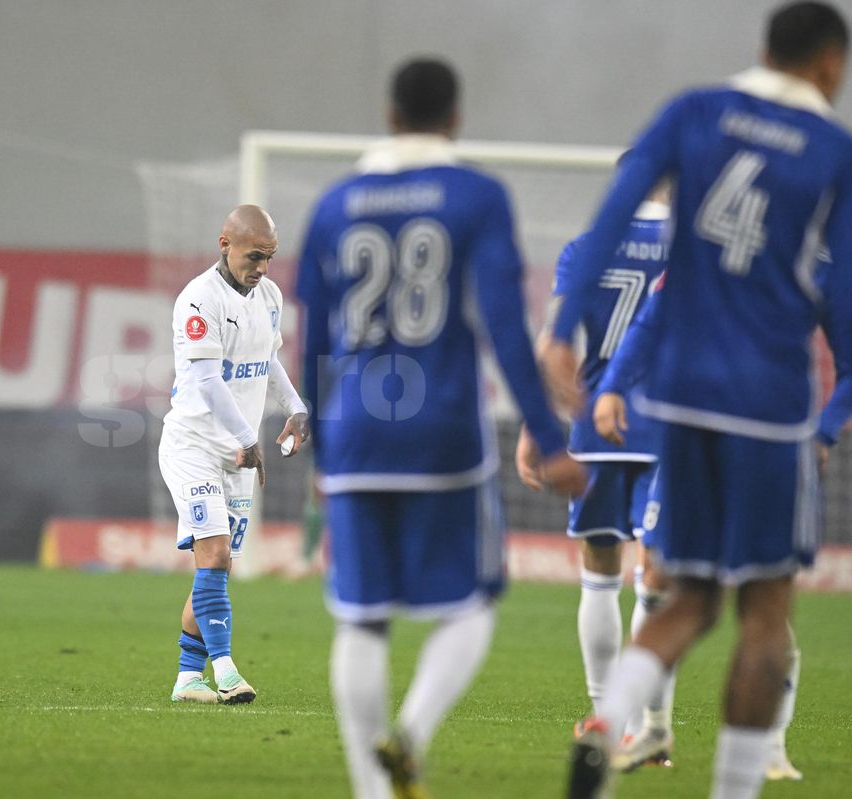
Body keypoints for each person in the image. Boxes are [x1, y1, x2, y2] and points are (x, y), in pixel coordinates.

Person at [541, 3, 852, 797]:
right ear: (830, 67)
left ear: (762, 50)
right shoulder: (832, 152)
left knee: (686, 596)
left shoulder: (693, 110)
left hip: (677, 399)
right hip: (767, 404)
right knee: (764, 613)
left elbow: (614, 215)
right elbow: (840, 306)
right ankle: (738, 786)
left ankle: (610, 726)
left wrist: (563, 337)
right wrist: (825, 420)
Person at [296, 57, 587, 799]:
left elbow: (315, 338)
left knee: (361, 620)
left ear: (389, 116)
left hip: (355, 429)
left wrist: (324, 451)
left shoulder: (333, 205)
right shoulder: (477, 195)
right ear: (455, 119)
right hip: (442, 433)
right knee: (473, 601)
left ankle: (370, 789)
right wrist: (550, 439)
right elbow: (504, 324)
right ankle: (412, 734)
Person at [516, 179, 670, 761]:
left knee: (598, 573)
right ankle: (652, 725)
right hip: (666, 427)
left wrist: (538, 425)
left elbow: (554, 342)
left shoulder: (587, 247)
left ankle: (607, 714)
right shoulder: (693, 248)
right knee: (656, 578)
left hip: (593, 426)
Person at [159, 204, 310, 705]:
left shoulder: (269, 296)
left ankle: (186, 678)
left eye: (269, 257)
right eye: (253, 255)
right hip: (195, 448)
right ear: (225, 244)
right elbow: (204, 380)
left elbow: (267, 360)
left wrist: (295, 406)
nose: (262, 267)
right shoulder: (199, 301)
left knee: (214, 567)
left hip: (238, 456)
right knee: (217, 553)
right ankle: (225, 671)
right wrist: (248, 438)